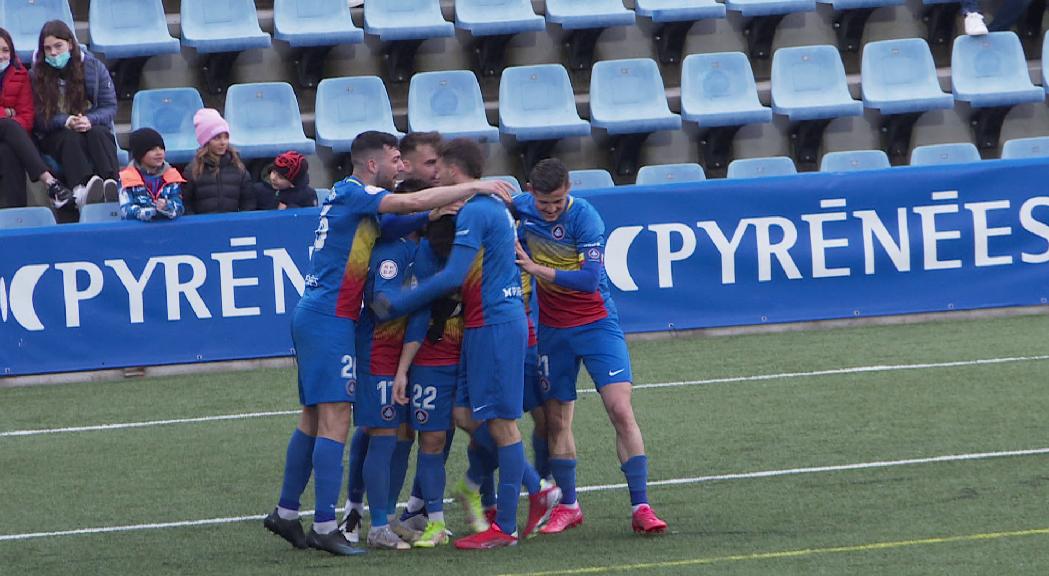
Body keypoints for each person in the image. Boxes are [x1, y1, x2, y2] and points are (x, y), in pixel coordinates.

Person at [262, 131, 513, 557]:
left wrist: (431, 215)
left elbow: (404, 218)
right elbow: (410, 204)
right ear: (373, 164)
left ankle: (287, 512)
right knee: (337, 419)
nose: (403, 167)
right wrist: (475, 186)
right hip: (330, 319)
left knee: (312, 417)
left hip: (319, 314)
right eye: (397, 159)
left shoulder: (351, 199)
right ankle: (325, 525)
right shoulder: (358, 192)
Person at [373, 138, 559, 550]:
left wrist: (399, 302)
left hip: (493, 322)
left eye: (439, 166)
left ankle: (507, 525)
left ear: (454, 170)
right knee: (464, 413)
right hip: (487, 322)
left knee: (501, 424)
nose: (433, 172)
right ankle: (532, 487)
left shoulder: (476, 210)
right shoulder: (487, 206)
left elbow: (454, 274)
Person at [513, 158, 668, 536]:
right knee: (557, 420)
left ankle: (641, 506)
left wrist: (537, 270)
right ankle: (569, 505)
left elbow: (588, 279)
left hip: (597, 324)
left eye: (558, 201)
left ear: (569, 190)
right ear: (531, 191)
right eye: (544, 203)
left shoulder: (586, 218)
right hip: (553, 331)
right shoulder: (520, 208)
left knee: (620, 409)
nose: (551, 210)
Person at [30, 20, 119, 221]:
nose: (53, 53)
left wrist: (90, 119)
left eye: (58, 46)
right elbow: (37, 117)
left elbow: (110, 107)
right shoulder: (35, 75)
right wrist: (65, 120)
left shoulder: (94, 68)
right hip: (55, 132)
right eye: (48, 48)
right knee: (69, 137)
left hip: (89, 125)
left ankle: (111, 184)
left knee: (99, 132)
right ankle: (82, 189)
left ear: (70, 44)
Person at [0, 26, 70, 209]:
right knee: (8, 126)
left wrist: (8, 118)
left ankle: (15, 216)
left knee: (7, 150)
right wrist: (7, 113)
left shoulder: (20, 74)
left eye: (5, 50)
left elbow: (27, 118)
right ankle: (49, 182)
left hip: (8, 137)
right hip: (8, 129)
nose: (1, 56)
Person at [181, 108, 255, 214]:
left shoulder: (238, 166)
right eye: (217, 138)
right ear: (206, 141)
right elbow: (185, 203)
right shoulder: (193, 169)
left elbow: (248, 202)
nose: (223, 142)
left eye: (226, 137)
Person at [118, 128, 184, 221]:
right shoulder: (126, 178)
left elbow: (179, 207)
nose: (159, 153)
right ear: (140, 154)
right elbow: (126, 211)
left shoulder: (172, 175)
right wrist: (152, 212)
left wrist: (166, 206)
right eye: (152, 149)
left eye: (161, 148)